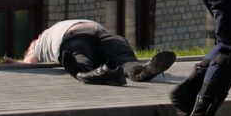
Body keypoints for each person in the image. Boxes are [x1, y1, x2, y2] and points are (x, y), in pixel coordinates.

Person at [19, 19, 176, 85]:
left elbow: (28, 64)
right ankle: (140, 70)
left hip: (74, 36)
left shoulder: (37, 44)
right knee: (124, 58)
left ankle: (95, 74)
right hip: (104, 34)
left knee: (80, 61)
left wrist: (17, 63)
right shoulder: (55, 28)